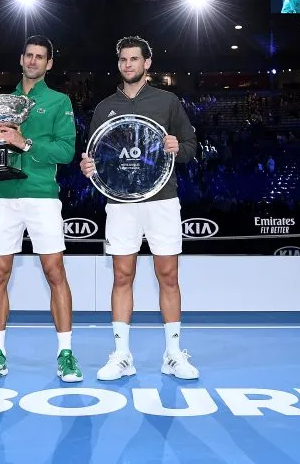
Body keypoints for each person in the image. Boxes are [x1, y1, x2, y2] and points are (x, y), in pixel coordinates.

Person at [80, 35, 201, 380]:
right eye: (123, 60)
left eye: (135, 59)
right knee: (122, 276)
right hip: (120, 204)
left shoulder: (168, 101)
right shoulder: (104, 108)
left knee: (168, 276)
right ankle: (121, 355)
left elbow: (191, 146)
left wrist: (179, 146)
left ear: (147, 64)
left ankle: (173, 354)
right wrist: (88, 167)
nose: (128, 65)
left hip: (163, 200)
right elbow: (96, 156)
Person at [0, 35, 83, 383]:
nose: (34, 61)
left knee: (55, 273)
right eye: (29, 55)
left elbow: (66, 152)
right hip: (3, 193)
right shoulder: (0, 103)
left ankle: (66, 354)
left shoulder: (59, 101)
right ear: (21, 59)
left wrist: (26, 142)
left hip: (41, 194)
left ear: (49, 64)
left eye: (40, 57)